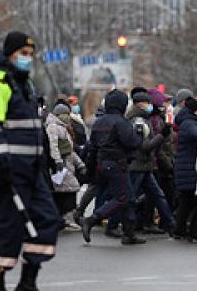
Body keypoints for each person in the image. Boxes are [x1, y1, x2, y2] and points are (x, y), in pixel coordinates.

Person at [0, 32, 62, 291]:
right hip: (6, 172)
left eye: (31, 52)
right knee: (5, 228)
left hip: (31, 172)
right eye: (23, 52)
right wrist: (2, 160)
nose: (28, 57)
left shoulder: (24, 84)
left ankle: (27, 284)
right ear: (10, 53)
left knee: (47, 220)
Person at [81, 89, 145, 245]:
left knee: (128, 198)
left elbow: (93, 146)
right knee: (122, 198)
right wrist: (139, 135)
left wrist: (91, 169)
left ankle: (129, 234)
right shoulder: (120, 122)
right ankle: (91, 220)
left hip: (102, 163)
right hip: (117, 164)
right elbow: (132, 142)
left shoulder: (99, 122)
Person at [125, 90, 175, 235]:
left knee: (157, 196)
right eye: (148, 103)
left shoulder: (143, 118)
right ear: (140, 104)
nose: (150, 105)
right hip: (138, 165)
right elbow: (144, 147)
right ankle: (113, 223)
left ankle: (171, 224)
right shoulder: (138, 121)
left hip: (145, 166)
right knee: (129, 198)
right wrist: (162, 135)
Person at [45, 103, 85, 231]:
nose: (68, 117)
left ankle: (62, 219)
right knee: (67, 191)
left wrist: (80, 164)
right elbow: (53, 145)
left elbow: (70, 150)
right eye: (66, 114)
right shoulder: (53, 127)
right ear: (59, 115)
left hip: (66, 165)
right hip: (61, 166)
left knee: (64, 192)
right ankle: (66, 219)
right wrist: (57, 161)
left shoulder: (62, 127)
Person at [173, 97, 197, 241]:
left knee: (186, 202)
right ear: (195, 110)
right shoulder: (189, 123)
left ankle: (179, 230)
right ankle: (194, 231)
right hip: (189, 168)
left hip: (186, 167)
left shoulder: (188, 121)